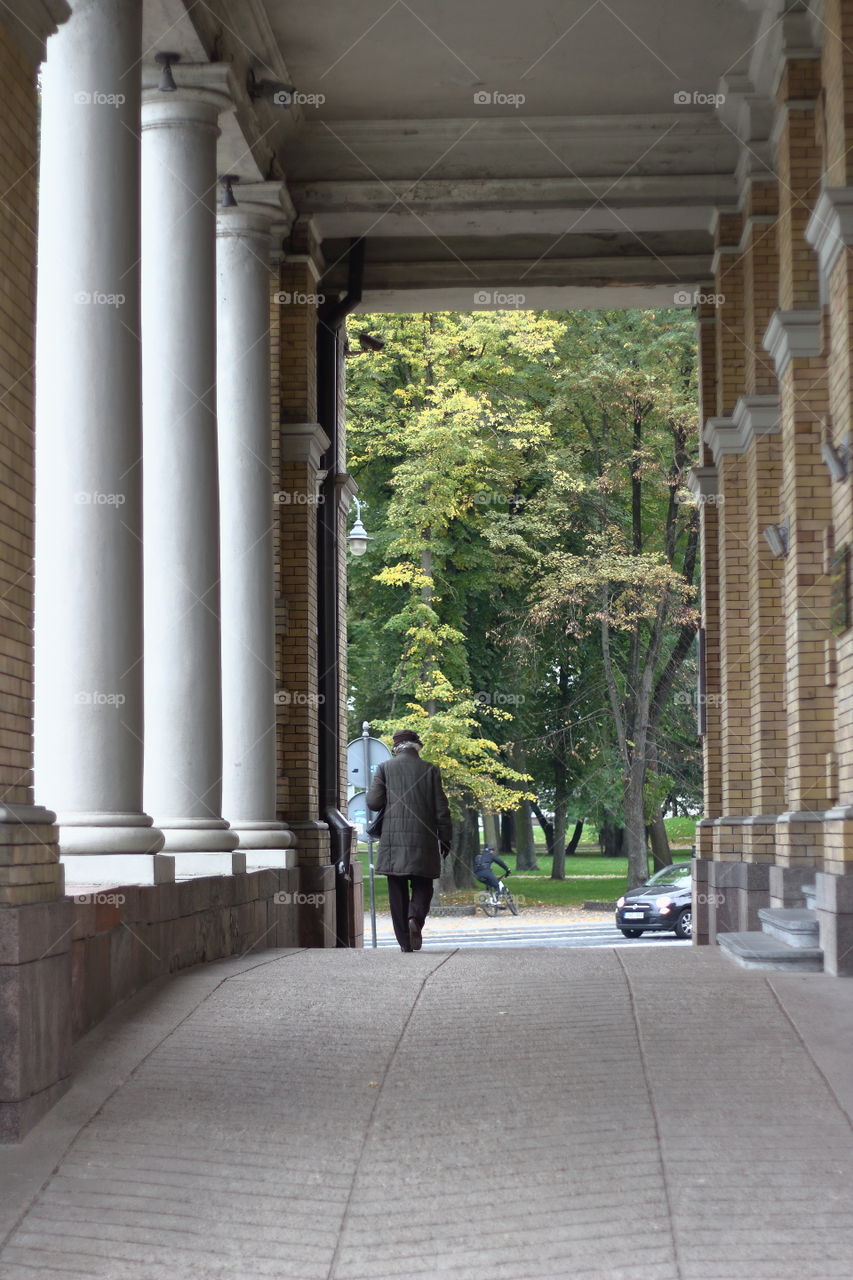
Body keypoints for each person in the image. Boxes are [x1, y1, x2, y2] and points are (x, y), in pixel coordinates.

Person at [366, 729, 452, 952]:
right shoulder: (430, 770)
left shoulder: (385, 768)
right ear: (417, 746)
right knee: (424, 884)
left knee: (397, 890)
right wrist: (445, 838)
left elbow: (373, 803)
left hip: (393, 843)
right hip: (424, 839)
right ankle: (415, 916)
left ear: (396, 748)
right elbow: (442, 809)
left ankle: (405, 943)